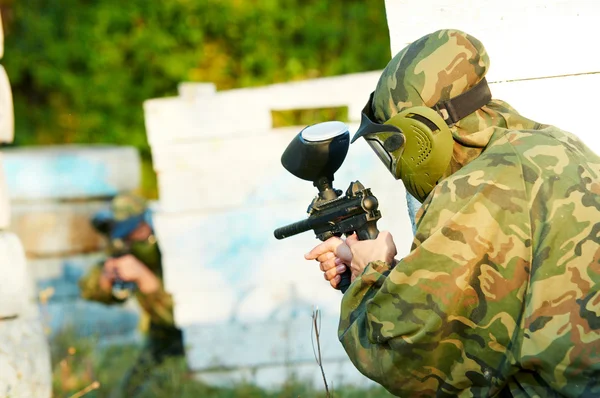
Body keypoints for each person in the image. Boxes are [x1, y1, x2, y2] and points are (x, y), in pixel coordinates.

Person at [305, 29, 600, 397]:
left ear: (418, 132)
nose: (396, 164)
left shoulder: (477, 187)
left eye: (391, 145)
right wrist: (385, 275)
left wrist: (370, 274)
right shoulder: (556, 144)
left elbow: (406, 355)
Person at [79, 193, 185, 397]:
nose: (133, 239)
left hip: (189, 341)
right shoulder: (125, 247)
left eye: (137, 231)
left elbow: (179, 318)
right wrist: (106, 279)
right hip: (160, 338)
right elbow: (88, 289)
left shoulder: (172, 247)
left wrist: (146, 281)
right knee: (127, 392)